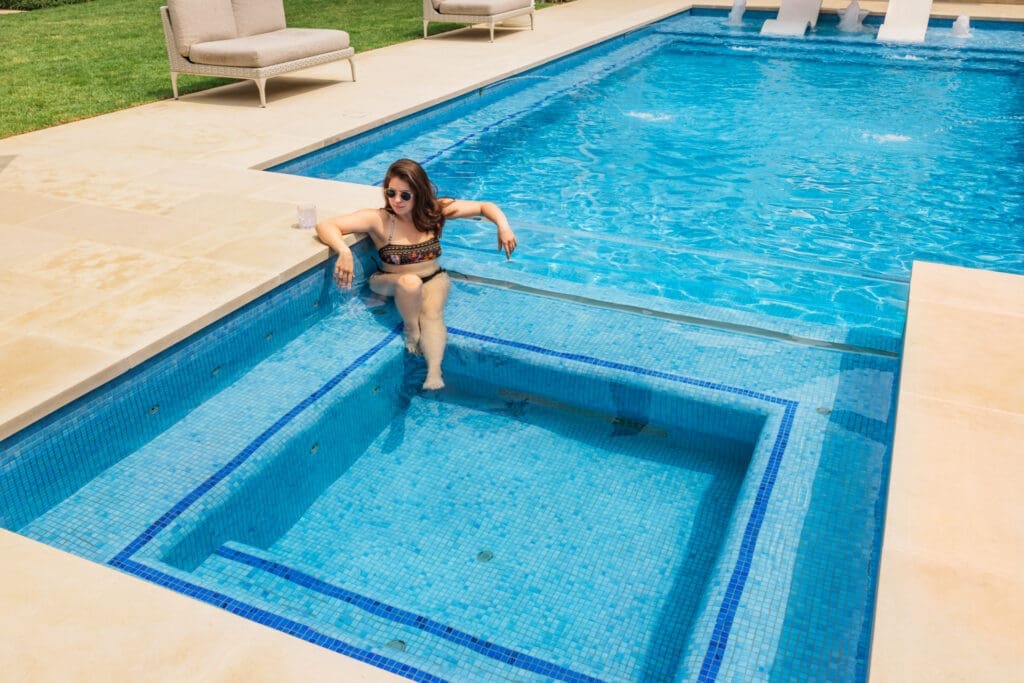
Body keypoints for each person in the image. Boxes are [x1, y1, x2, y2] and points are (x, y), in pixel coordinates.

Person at [316, 158, 517, 390]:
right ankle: (411, 328)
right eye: (391, 193)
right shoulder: (380, 219)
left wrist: (503, 227)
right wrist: (344, 251)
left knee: (432, 316)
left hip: (433, 278)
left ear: (419, 193)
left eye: (405, 195)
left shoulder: (435, 212)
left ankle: (434, 373)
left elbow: (484, 206)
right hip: (389, 281)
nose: (397, 201)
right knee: (410, 282)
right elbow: (326, 226)